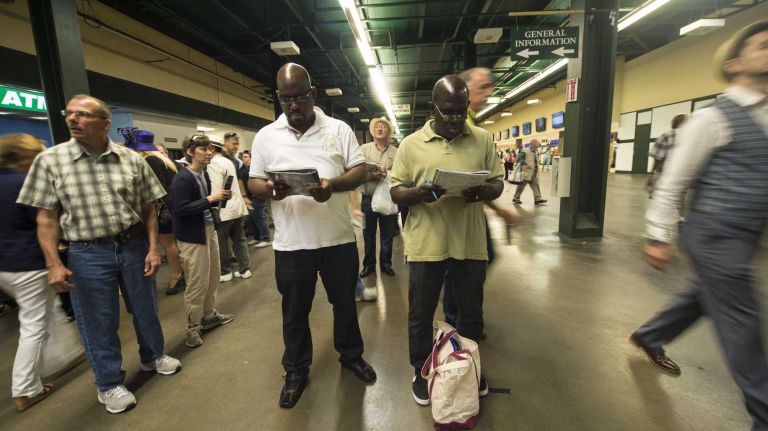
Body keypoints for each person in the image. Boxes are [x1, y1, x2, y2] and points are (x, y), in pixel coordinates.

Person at [630, 21, 768, 430]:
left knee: (705, 296)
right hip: (714, 233)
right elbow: (673, 180)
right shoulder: (712, 119)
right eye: (762, 45)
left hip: (746, 233)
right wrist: (657, 235)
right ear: (735, 63)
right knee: (743, 324)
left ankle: (651, 335)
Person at [17, 94, 182, 414]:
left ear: (106, 123)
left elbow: (148, 208)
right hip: (88, 251)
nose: (73, 119)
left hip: (133, 245)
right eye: (70, 114)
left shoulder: (130, 159)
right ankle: (108, 384)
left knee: (145, 307)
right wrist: (53, 264)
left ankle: (153, 355)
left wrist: (152, 249)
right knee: (98, 321)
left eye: (83, 114)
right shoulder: (50, 161)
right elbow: (46, 218)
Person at [248, 63, 376, 409]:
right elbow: (253, 181)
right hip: (292, 245)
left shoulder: (338, 129)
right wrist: (271, 190)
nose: (293, 106)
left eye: (300, 98)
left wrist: (329, 186)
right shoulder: (266, 136)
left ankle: (351, 355)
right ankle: (295, 370)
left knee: (345, 304)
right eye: (286, 99)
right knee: (294, 312)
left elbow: (360, 171)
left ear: (313, 93)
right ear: (279, 98)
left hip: (337, 240)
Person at [390, 75, 503, 405]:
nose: (455, 119)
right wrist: (418, 194)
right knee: (421, 314)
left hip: (469, 242)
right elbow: (396, 191)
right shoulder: (411, 145)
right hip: (427, 245)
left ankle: (468, 367)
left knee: (471, 314)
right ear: (432, 108)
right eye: (447, 112)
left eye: (460, 111)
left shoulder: (482, 139)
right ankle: (422, 369)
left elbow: (497, 183)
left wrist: (483, 190)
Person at [0, 134, 81, 412]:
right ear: (26, 158)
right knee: (34, 323)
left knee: (51, 310)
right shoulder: (24, 183)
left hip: (5, 266)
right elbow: (43, 222)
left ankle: (66, 355)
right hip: (29, 263)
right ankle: (25, 388)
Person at [170, 135, 235, 348]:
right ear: (190, 152)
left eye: (209, 149)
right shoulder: (183, 178)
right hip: (192, 236)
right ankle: (192, 326)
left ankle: (208, 315)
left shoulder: (203, 174)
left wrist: (216, 201)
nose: (208, 153)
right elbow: (179, 209)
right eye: (203, 149)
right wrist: (209, 199)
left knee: (213, 276)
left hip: (208, 229)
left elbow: (203, 204)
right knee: (197, 281)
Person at [125, 129, 186, 296]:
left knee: (167, 243)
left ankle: (177, 275)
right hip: (173, 209)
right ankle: (179, 273)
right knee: (171, 243)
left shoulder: (151, 160)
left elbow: (156, 191)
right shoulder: (167, 161)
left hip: (162, 211)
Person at [358, 116, 398, 279]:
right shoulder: (364, 150)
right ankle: (369, 266)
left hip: (388, 199)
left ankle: (386, 264)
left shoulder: (396, 152)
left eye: (384, 126)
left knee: (387, 235)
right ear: (373, 131)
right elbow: (357, 173)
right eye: (377, 126)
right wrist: (371, 175)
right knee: (368, 235)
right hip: (368, 199)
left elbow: (401, 174)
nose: (380, 129)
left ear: (389, 131)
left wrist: (388, 174)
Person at [209, 140, 251, 281]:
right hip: (237, 207)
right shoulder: (228, 161)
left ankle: (225, 272)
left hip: (224, 209)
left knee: (221, 242)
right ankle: (244, 269)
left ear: (212, 149)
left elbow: (216, 190)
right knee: (239, 240)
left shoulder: (213, 164)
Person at [646, 113, 688, 195]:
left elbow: (658, 159)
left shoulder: (666, 136)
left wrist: (651, 174)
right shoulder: (692, 138)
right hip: (685, 178)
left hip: (665, 176)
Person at [241, 150, 271, 248]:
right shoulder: (242, 168)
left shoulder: (256, 169)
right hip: (249, 197)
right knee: (251, 218)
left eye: (246, 157)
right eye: (243, 157)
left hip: (258, 196)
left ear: (251, 158)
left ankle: (266, 239)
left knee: (258, 217)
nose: (244, 159)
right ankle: (257, 237)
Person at [513, 139, 547, 205]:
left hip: (534, 173)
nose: (536, 148)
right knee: (521, 186)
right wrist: (526, 163)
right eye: (535, 147)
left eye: (537, 147)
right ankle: (516, 198)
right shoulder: (524, 151)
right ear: (531, 145)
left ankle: (537, 199)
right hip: (526, 173)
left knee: (536, 185)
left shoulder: (535, 152)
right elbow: (518, 159)